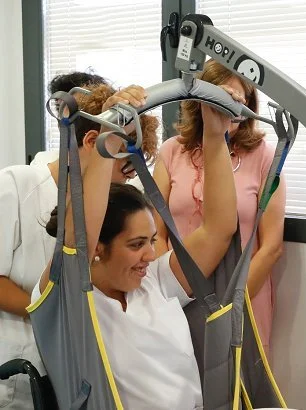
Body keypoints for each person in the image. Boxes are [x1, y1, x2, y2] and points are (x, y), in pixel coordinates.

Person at [31, 82, 241, 409]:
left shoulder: (153, 281)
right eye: (136, 244)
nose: (150, 255)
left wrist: (215, 135)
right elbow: (78, 236)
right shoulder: (70, 298)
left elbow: (219, 229)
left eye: (151, 241)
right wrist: (109, 134)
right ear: (97, 247)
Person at [0, 83, 157, 409]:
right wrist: (50, 315)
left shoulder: (105, 209)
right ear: (92, 142)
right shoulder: (16, 186)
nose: (129, 179)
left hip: (71, 373)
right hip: (16, 373)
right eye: (125, 166)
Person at [153, 59, 286, 354]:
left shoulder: (265, 157)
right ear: (202, 102)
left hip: (243, 298)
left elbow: (271, 246)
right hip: (179, 294)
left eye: (240, 101)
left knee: (236, 387)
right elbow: (155, 233)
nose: (231, 110)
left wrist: (231, 304)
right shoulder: (172, 151)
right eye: (223, 100)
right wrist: (173, 291)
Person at [30, 71, 109, 167]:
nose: (64, 117)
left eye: (72, 107)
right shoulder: (43, 162)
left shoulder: (121, 167)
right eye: (59, 108)